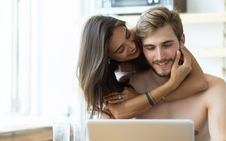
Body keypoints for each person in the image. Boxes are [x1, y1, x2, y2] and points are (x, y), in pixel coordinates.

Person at [117, 5, 226, 141]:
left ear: (182, 41)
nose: (160, 56)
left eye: (167, 45)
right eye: (150, 48)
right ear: (141, 48)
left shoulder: (214, 88)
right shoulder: (129, 87)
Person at [77, 15, 208, 119]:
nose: (132, 46)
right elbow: (120, 113)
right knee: (105, 117)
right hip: (147, 114)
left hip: (179, 107)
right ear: (108, 58)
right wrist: (171, 84)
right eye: (121, 49)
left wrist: (140, 97)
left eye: (128, 35)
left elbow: (199, 82)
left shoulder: (146, 34)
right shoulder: (104, 75)